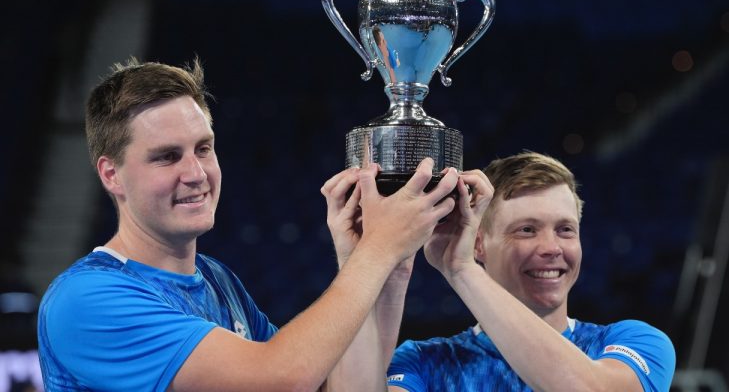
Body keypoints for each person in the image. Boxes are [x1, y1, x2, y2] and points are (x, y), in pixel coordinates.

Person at [36, 57, 462, 391]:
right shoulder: (87, 300)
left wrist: (387, 265)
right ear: (111, 174)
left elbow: (342, 388)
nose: (196, 174)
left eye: (203, 149)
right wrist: (377, 251)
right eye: (167, 156)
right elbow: (283, 378)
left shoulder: (217, 280)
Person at [327, 151, 676, 391]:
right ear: (478, 244)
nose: (551, 247)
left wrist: (461, 270)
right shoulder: (425, 363)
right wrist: (363, 261)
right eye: (526, 230)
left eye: (565, 229)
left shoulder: (633, 342)